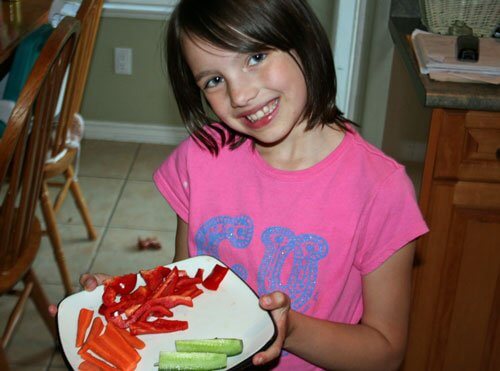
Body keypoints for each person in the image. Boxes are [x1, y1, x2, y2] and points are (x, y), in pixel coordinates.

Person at [79, 0, 428, 369]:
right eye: (214, 80)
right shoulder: (198, 160)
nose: (240, 96)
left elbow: (387, 352)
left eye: (255, 57)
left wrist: (290, 330)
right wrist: (128, 302)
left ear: (302, 39)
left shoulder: (380, 190)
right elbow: (184, 287)